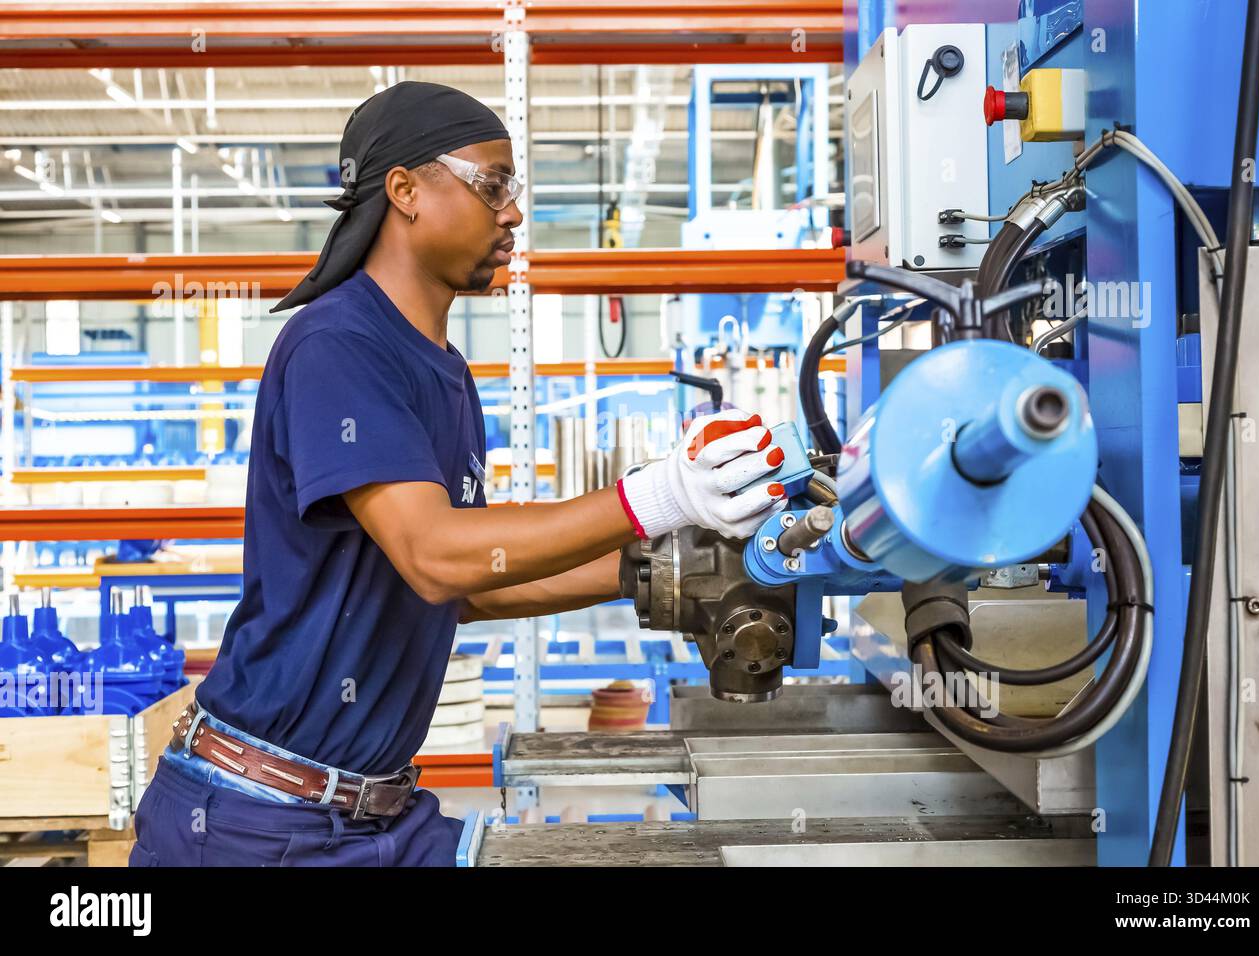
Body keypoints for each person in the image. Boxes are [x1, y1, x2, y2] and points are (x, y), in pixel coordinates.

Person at [130, 81, 787, 866]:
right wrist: (660, 493)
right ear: (405, 191)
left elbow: (468, 586)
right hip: (259, 824)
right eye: (494, 185)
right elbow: (436, 555)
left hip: (379, 814)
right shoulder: (336, 346)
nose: (512, 213)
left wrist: (652, 573)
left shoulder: (444, 371)